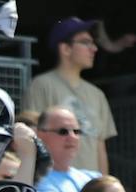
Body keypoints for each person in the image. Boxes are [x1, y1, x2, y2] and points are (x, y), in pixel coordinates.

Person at [21, 19, 115, 174]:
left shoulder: (97, 94)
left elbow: (100, 146)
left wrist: (102, 182)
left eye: (93, 43)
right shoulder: (41, 85)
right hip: (53, 180)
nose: (94, 48)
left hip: (90, 183)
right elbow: (32, 136)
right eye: (85, 42)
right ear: (65, 48)